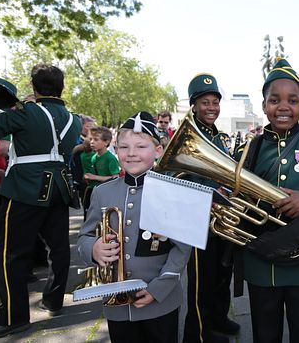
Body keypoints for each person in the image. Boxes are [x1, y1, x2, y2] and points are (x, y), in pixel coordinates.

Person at [0, 65, 81, 341]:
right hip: (59, 187)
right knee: (59, 247)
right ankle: (53, 300)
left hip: (27, 188)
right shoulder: (73, 119)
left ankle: (14, 317)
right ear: (61, 87)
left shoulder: (26, 113)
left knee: (10, 253)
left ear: (34, 86)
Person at [233, 60, 299, 343]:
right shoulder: (250, 148)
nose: (283, 107)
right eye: (274, 100)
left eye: (292, 100)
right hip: (260, 258)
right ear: (264, 105)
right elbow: (236, 197)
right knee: (264, 334)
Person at [78, 112, 191, 342]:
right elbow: (84, 236)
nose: (131, 154)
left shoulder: (172, 191)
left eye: (140, 146)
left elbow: (182, 249)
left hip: (160, 301)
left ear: (158, 151)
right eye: (124, 147)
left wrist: (157, 289)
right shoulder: (102, 192)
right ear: (115, 149)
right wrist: (93, 248)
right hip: (117, 306)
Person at [181, 74, 240, 343]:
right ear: (194, 105)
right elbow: (177, 178)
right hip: (197, 219)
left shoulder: (218, 136)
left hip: (220, 219)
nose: (211, 107)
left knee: (221, 274)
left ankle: (218, 319)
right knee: (200, 283)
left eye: (215, 102)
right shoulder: (188, 135)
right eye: (205, 102)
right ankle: (199, 333)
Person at [82, 126, 120, 218]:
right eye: (90, 139)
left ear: (106, 142)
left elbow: (115, 177)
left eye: (96, 140)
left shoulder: (110, 158)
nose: (91, 142)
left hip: (107, 192)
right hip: (94, 191)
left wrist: (94, 177)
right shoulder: (94, 157)